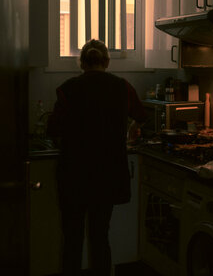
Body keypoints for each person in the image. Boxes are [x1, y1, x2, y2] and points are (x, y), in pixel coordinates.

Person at [47, 39, 146, 276]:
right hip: (107, 176)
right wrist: (132, 127)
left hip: (74, 175)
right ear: (107, 62)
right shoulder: (122, 87)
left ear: (82, 63)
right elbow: (141, 114)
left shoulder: (67, 88)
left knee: (72, 239)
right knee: (100, 237)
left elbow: (52, 130)